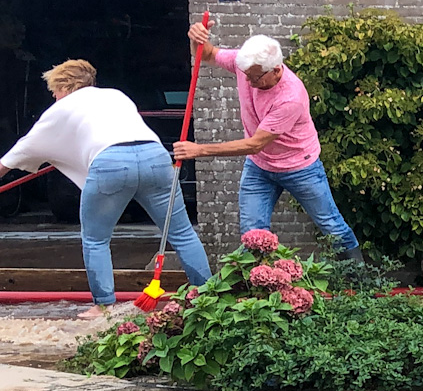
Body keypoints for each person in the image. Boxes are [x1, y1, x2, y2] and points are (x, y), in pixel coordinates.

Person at [0, 60, 211, 308]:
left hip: (111, 164)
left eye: (54, 91)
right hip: (156, 158)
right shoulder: (116, 95)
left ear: (63, 86)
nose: (55, 97)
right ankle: (208, 298)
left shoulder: (62, 107)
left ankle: (104, 307)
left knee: (96, 240)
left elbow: (19, 153)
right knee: (183, 234)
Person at [175, 23, 362, 261]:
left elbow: (255, 143)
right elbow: (208, 53)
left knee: (330, 224)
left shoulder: (290, 96)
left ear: (276, 69)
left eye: (256, 78)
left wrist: (199, 150)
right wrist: (197, 38)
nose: (250, 83)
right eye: (246, 76)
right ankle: (258, 290)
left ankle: (360, 285)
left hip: (299, 167)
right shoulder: (248, 65)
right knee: (252, 234)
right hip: (260, 167)